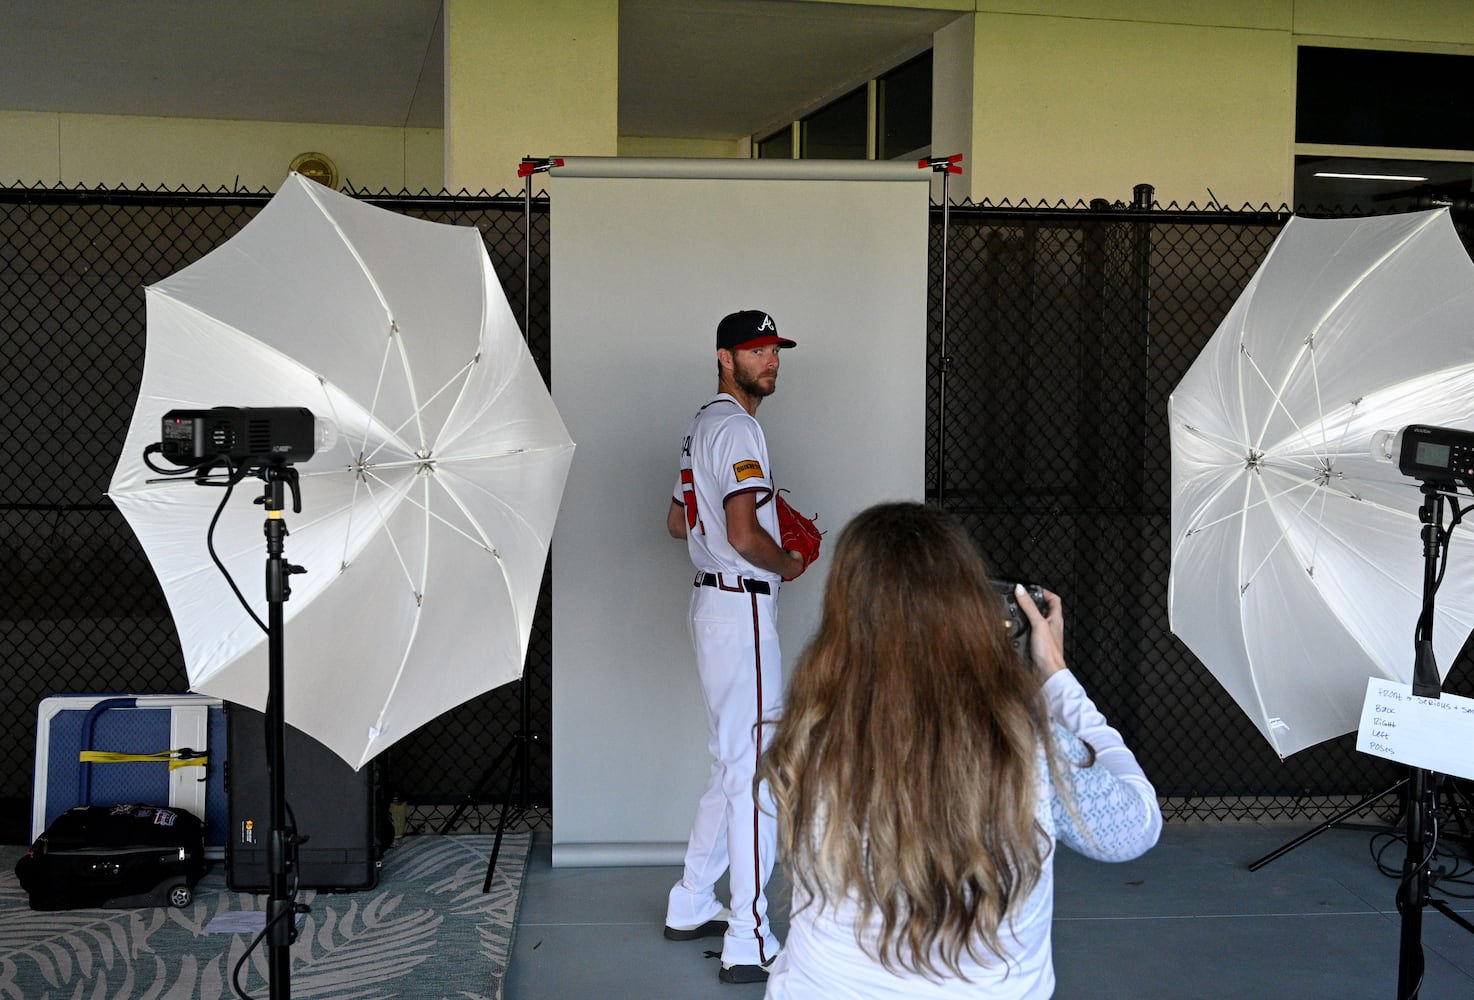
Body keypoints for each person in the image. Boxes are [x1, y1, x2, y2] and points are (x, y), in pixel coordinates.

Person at [757, 502, 1162, 998]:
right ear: (970, 606)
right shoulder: (1025, 742)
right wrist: (1056, 678)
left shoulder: (806, 735)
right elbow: (1135, 828)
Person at [663, 309, 810, 985]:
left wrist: (741, 540)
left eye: (774, 349)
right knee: (757, 774)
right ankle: (748, 939)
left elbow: (675, 521)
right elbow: (746, 533)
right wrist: (786, 562)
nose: (770, 359)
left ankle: (692, 899)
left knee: (733, 760)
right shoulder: (740, 426)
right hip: (742, 607)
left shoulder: (701, 425)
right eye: (756, 350)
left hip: (711, 604)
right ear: (725, 358)